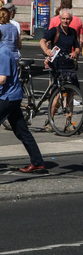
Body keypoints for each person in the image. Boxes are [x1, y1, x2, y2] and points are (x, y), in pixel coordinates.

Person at [0, 29, 46, 173]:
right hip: (12, 96)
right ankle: (37, 162)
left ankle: (37, 162)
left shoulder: (3, 53)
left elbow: (2, 79)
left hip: (7, 97)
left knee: (22, 131)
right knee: (22, 131)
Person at [39, 8, 81, 133]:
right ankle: (50, 120)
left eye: (68, 19)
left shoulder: (73, 32)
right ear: (60, 19)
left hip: (69, 66)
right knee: (56, 95)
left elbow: (78, 48)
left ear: (71, 19)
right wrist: (46, 50)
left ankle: (68, 123)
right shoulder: (55, 31)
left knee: (71, 95)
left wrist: (75, 53)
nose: (66, 21)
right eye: (63, 18)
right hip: (57, 66)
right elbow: (42, 41)